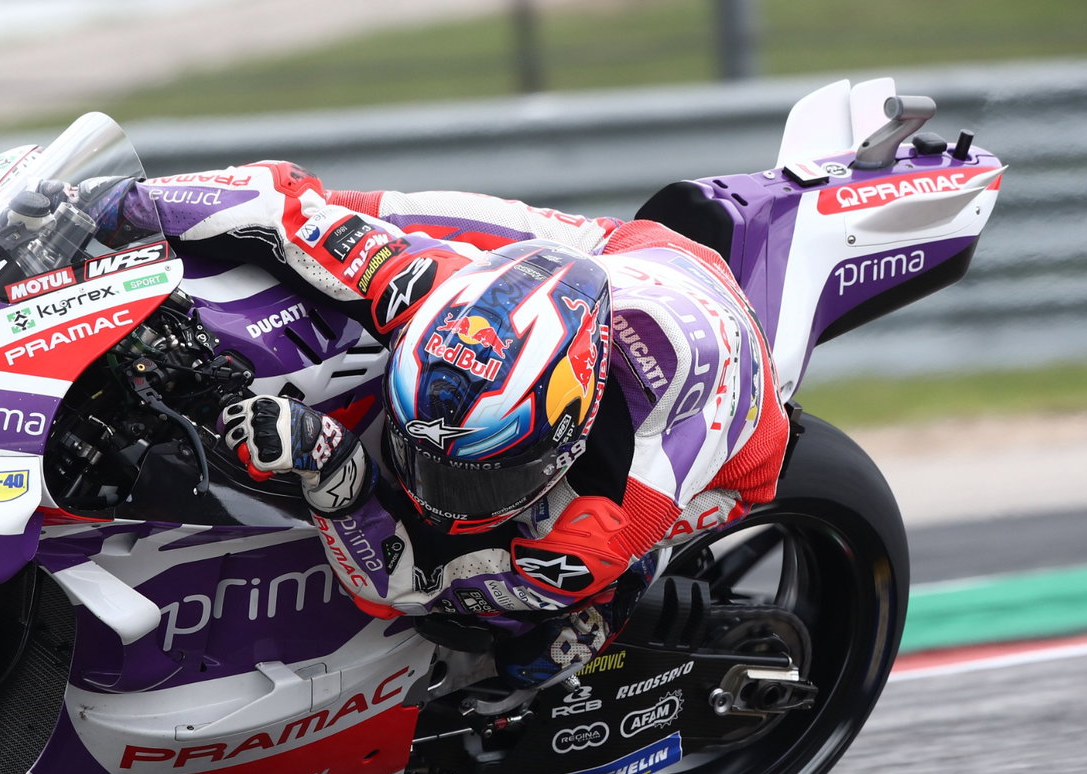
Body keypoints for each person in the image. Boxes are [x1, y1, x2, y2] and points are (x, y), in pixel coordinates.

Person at [127, 162, 792, 688]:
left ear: (568, 439)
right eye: (426, 465)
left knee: (513, 641)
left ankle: (619, 599)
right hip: (611, 257)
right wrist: (107, 204)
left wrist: (334, 473)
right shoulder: (421, 287)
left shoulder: (617, 508)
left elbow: (407, 587)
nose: (437, 499)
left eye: (475, 481)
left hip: (732, 447)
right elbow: (278, 203)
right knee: (360, 213)